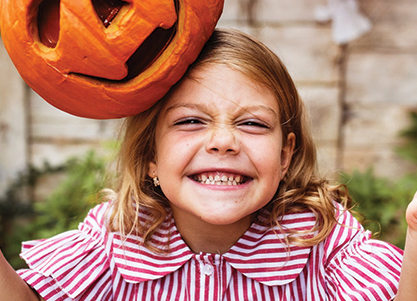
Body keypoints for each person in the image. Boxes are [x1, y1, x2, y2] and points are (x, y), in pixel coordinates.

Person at [1, 28, 416, 301]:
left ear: (286, 154)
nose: (222, 141)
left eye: (252, 123)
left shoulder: (322, 243)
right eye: (191, 121)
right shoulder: (118, 236)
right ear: (150, 157)